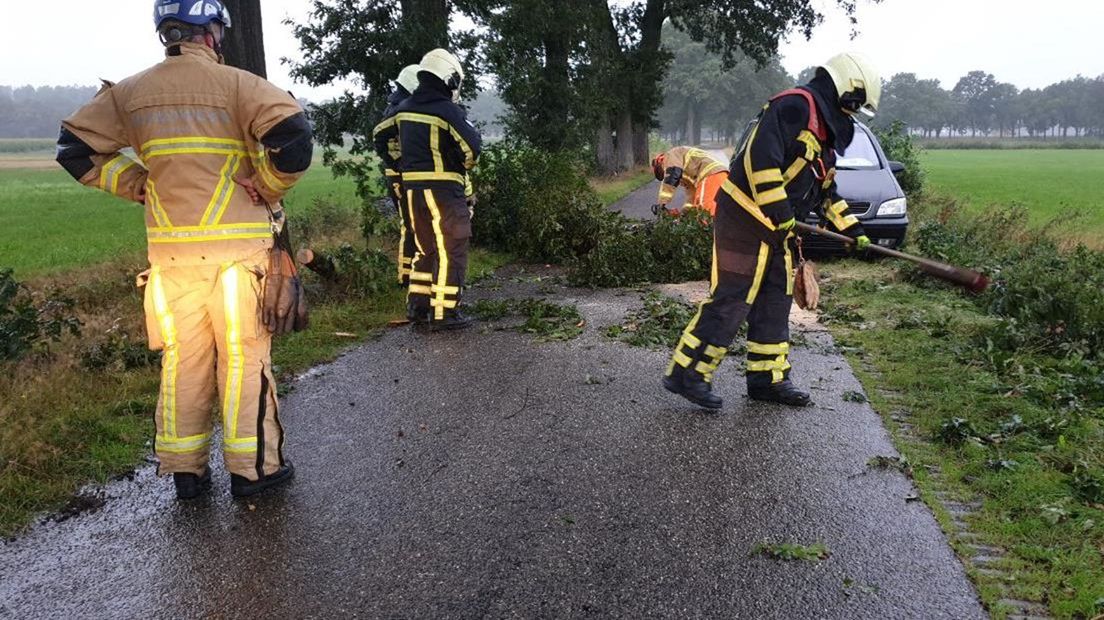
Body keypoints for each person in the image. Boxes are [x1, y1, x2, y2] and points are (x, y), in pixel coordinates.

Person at [56, 0, 313, 498]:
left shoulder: (128, 94)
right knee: (243, 360)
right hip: (240, 257)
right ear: (213, 32)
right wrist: (268, 183)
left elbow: (74, 149)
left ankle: (186, 473)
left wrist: (136, 183)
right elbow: (294, 138)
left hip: (170, 262)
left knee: (182, 361)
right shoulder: (241, 86)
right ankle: (254, 472)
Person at [662, 52, 878, 409]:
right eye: (854, 107)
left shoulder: (824, 137)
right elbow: (760, 160)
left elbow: (826, 192)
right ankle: (687, 373)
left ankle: (767, 380)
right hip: (744, 219)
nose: (852, 116)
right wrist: (781, 211)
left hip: (778, 230)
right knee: (733, 297)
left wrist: (853, 230)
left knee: (775, 301)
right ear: (846, 93)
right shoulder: (793, 107)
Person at [384, 48, 482, 330]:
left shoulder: (402, 110)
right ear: (449, 79)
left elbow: (381, 136)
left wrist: (399, 162)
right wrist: (455, 164)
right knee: (452, 249)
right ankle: (445, 313)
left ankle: (419, 306)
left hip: (414, 191)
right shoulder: (447, 111)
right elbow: (472, 150)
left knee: (425, 248)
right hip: (444, 192)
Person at [373, 64, 422, 287]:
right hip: (400, 175)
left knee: (410, 223)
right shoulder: (399, 110)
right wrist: (397, 163)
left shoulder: (394, 106)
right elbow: (380, 139)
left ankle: (407, 272)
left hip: (398, 172)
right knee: (410, 223)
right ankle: (406, 275)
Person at [650, 146, 728, 216]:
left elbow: (672, 175)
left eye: (663, 172)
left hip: (710, 173)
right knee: (713, 212)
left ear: (659, 161)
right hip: (720, 175)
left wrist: (661, 204)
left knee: (705, 213)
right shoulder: (688, 174)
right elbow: (691, 198)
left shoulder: (669, 156)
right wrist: (683, 214)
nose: (665, 174)